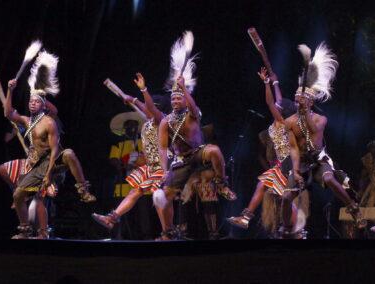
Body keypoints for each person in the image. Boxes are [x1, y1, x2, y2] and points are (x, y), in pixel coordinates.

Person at [4, 50, 95, 239]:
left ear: (43, 105)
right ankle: (24, 230)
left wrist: (48, 173)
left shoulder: (50, 122)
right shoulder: (27, 122)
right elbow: (9, 113)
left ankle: (83, 189)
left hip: (55, 162)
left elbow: (55, 149)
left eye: (36, 102)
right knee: (18, 196)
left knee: (68, 153)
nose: (32, 104)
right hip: (37, 165)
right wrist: (10, 91)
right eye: (30, 102)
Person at [156, 31, 236, 240]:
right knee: (165, 196)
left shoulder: (193, 113)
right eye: (172, 98)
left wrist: (184, 88)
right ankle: (168, 232)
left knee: (215, 151)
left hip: (199, 154)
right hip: (181, 161)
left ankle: (221, 182)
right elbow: (163, 148)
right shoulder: (165, 122)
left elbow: (193, 106)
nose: (175, 100)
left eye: (178, 98)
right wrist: (164, 170)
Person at [280, 43, 365, 237]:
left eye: (301, 99)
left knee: (330, 178)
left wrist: (304, 112)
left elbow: (312, 130)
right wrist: (295, 170)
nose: (297, 102)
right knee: (286, 197)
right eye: (296, 99)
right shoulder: (289, 122)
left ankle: (354, 209)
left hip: (318, 161)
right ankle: (286, 228)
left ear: (310, 102)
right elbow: (293, 147)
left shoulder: (320, 119)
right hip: (301, 162)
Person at [92, 73, 170, 238]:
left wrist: (136, 97)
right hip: (151, 166)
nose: (147, 108)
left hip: (163, 165)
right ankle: (112, 218)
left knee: (158, 198)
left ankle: (167, 233)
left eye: (150, 107)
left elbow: (150, 108)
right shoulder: (149, 123)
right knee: (135, 191)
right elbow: (148, 109)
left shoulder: (162, 120)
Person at [227, 67, 302, 232]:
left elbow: (270, 102)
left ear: (280, 112)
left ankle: (297, 228)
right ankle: (246, 218)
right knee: (264, 186)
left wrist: (266, 83)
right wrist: (275, 83)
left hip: (288, 164)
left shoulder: (282, 122)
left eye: (278, 107)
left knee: (284, 197)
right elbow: (279, 100)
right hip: (281, 164)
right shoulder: (281, 118)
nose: (275, 106)